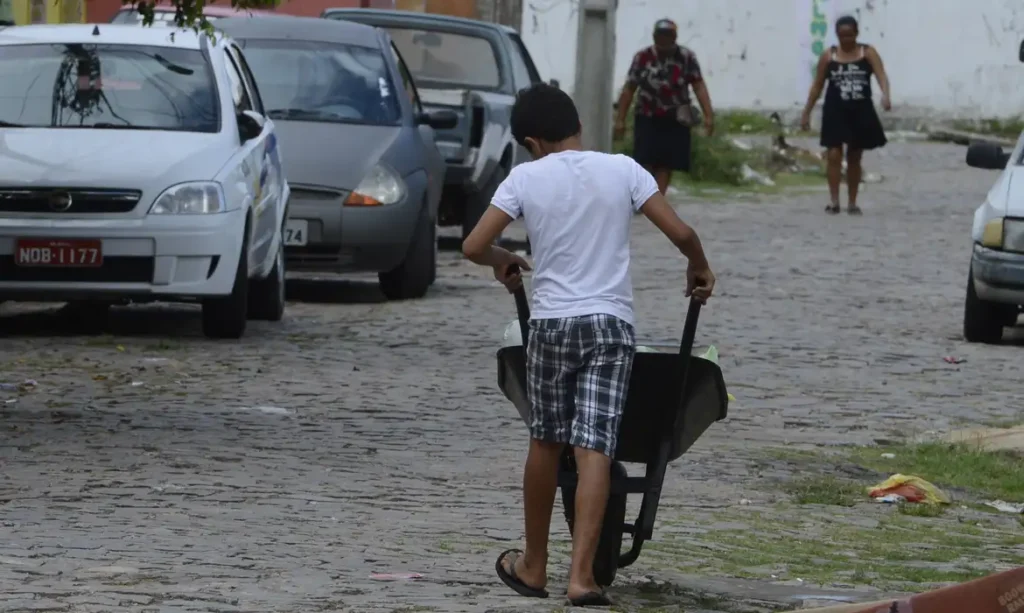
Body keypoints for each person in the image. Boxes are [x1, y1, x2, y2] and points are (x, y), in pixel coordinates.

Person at [462, 83, 715, 607]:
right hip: (609, 324)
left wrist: (503, 260)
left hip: (552, 324)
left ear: (532, 141)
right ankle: (582, 579)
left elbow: (473, 244)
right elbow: (682, 231)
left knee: (546, 442)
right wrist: (699, 266)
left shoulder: (525, 178)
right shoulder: (623, 169)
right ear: (576, 126)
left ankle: (533, 566)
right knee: (595, 445)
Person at [800, 15, 891, 215]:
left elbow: (881, 75)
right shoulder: (829, 56)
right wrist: (806, 112)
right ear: (837, 36)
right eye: (842, 36)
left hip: (860, 110)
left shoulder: (867, 53)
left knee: (854, 156)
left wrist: (885, 95)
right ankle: (834, 201)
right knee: (833, 154)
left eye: (850, 35)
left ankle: (852, 201)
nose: (846, 40)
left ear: (856, 34)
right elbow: (817, 86)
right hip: (835, 111)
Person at [614, 18, 714, 196]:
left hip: (676, 118)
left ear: (675, 37)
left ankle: (656, 199)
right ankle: (642, 195)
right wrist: (620, 120)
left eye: (668, 35)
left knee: (667, 163)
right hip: (647, 115)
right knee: (644, 159)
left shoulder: (686, 57)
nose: (664, 39)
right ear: (654, 36)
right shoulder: (642, 57)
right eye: (661, 35)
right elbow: (629, 88)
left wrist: (708, 116)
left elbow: (698, 85)